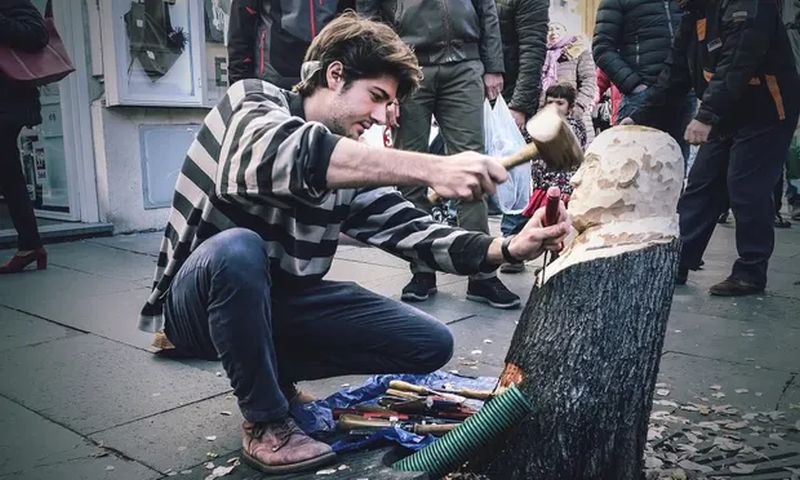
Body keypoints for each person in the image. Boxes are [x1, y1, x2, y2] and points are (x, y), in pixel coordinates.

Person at [140, 14, 571, 474]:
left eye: (390, 105)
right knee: (238, 249)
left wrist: (509, 247)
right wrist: (431, 168)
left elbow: (417, 233)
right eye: (378, 97)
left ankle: (274, 380)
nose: (383, 116)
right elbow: (281, 155)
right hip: (196, 306)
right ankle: (266, 422)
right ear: (335, 74)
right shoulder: (253, 101)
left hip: (276, 303)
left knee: (429, 342)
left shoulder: (350, 169)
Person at [623, 0, 800, 296]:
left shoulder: (749, 6)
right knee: (702, 183)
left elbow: (738, 63)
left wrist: (706, 116)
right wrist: (638, 117)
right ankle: (677, 260)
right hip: (727, 109)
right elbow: (674, 73)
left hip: (767, 109)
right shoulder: (695, 13)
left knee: (745, 185)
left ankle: (750, 272)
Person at [357, 1, 520, 309]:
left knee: (473, 170)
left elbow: (486, 7)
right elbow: (370, 17)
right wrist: (384, 79)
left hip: (465, 63)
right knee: (410, 174)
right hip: (407, 65)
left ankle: (482, 272)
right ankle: (422, 268)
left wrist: (493, 65)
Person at [593, 0, 695, 161]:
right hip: (641, 96)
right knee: (630, 171)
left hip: (683, 93)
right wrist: (635, 86)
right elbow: (602, 48)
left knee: (675, 173)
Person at [495, 0, 549, 273]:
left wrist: (519, 105)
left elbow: (532, 47)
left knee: (514, 169)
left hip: (511, 90)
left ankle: (512, 242)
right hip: (473, 85)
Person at [0, 0, 49, 274]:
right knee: (9, 175)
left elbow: (36, 34)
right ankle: (31, 245)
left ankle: (31, 245)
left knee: (9, 174)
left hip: (8, 103)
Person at [227, 0, 355, 88]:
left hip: (327, 77)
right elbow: (241, 23)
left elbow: (350, 19)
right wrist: (239, 85)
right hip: (274, 79)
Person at [521, 83, 586, 219]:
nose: (554, 107)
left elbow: (573, 162)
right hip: (540, 186)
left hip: (560, 189)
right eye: (550, 102)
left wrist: (567, 188)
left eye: (560, 103)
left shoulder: (573, 127)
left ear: (570, 107)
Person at [541, 22, 596, 145]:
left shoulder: (579, 51)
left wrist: (578, 107)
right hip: (548, 116)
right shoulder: (543, 55)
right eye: (550, 29)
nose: (553, 32)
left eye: (558, 28)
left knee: (580, 155)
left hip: (575, 114)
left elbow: (589, 81)